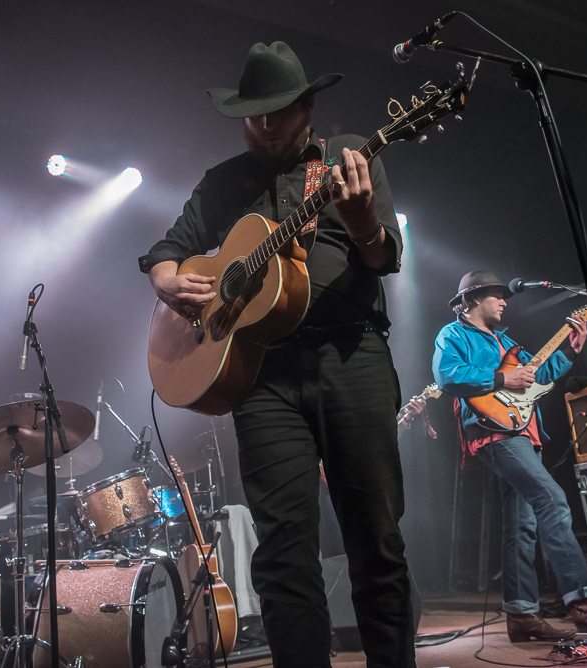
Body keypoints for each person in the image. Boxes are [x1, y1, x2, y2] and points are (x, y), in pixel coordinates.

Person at [140, 42, 416, 667]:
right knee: (284, 553)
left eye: (279, 112)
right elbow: (165, 247)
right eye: (254, 114)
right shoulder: (221, 184)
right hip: (260, 377)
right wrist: (164, 277)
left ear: (309, 107)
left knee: (376, 539)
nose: (265, 126)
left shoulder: (349, 157)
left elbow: (384, 257)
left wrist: (364, 221)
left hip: (351, 358)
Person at [432, 271, 587, 641]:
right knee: (552, 500)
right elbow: (448, 376)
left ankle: (521, 615)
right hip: (494, 434)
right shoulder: (453, 335)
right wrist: (500, 380)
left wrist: (572, 349)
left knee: (521, 525)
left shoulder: (508, 341)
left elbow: (541, 377)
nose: (505, 301)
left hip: (523, 434)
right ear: (474, 299)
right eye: (498, 296)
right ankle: (585, 602)